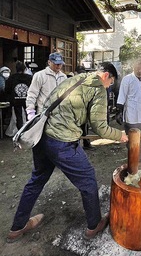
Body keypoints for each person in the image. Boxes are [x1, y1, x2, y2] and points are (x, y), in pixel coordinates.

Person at [7, 63, 128, 243]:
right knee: (87, 180)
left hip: (42, 137)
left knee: (36, 180)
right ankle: (94, 225)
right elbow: (100, 127)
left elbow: (51, 102)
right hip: (62, 143)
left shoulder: (75, 79)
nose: (110, 86)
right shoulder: (98, 88)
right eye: (111, 82)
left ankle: (17, 227)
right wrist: (121, 135)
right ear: (106, 76)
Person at [116, 59, 141, 162]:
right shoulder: (127, 79)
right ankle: (132, 161)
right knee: (132, 140)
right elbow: (122, 96)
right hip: (131, 116)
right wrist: (119, 112)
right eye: (138, 67)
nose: (140, 70)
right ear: (133, 67)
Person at [26, 52, 67, 120]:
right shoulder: (40, 75)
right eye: (56, 64)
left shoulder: (63, 77)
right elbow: (32, 93)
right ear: (49, 62)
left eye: (60, 64)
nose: (58, 66)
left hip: (60, 113)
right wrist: (30, 111)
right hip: (44, 112)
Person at [5, 61, 32, 130]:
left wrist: (9, 98)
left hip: (15, 100)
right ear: (24, 69)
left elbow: (7, 89)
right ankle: (28, 130)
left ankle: (20, 131)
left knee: (18, 116)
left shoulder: (12, 78)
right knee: (28, 115)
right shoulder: (29, 78)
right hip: (27, 99)